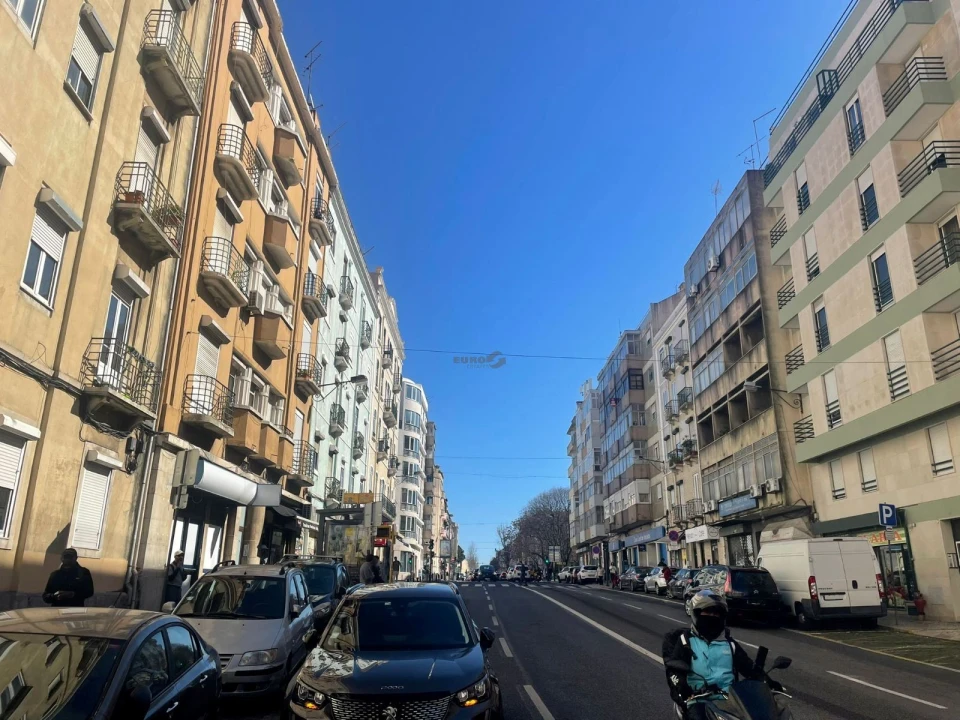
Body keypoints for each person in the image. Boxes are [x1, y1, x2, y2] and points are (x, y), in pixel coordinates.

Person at [662, 590, 771, 719]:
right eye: (707, 612)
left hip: (730, 702)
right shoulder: (686, 641)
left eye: (716, 613)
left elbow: (749, 668)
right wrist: (684, 690)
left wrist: (768, 682)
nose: (712, 616)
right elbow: (674, 670)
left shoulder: (730, 644)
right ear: (696, 613)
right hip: (698, 700)